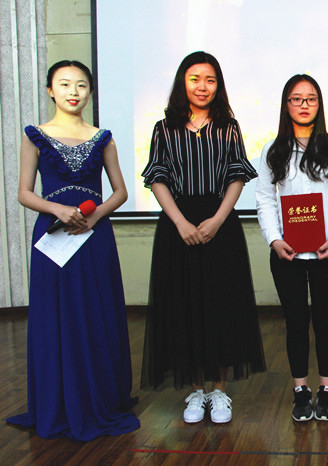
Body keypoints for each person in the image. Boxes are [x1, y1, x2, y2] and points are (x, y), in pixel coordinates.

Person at [7, 60, 139, 440]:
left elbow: (120, 192)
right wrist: (58, 210)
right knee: (55, 317)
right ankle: (58, 402)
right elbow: (24, 193)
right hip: (53, 236)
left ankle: (99, 397)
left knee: (97, 313)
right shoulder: (35, 136)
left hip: (94, 236)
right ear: (50, 90)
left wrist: (94, 216)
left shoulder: (103, 138)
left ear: (90, 91)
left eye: (81, 85)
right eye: (64, 84)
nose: (73, 92)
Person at [140, 51, 265, 424]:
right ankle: (196, 391)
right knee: (185, 305)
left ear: (218, 85)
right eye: (195, 78)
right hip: (177, 225)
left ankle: (219, 391)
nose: (202, 86)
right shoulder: (164, 128)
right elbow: (157, 177)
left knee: (221, 305)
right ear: (183, 82)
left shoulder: (228, 127)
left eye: (210, 80)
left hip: (219, 224)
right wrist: (180, 222)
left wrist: (218, 219)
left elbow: (237, 175)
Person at [256, 74, 328, 422]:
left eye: (311, 98)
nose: (304, 104)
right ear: (286, 105)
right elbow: (265, 199)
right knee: (295, 323)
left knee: (326, 323)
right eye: (296, 99)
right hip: (287, 253)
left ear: (319, 104)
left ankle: (326, 390)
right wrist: (274, 239)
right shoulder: (273, 150)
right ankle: (300, 391)